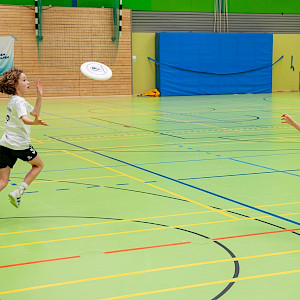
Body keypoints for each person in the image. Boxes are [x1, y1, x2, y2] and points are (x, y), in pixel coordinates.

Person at [0, 67, 48, 208]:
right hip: (19, 145)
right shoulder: (19, 102)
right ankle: (18, 191)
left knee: (3, 181)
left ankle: (17, 192)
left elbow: (34, 112)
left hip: (5, 144)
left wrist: (39, 95)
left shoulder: (16, 99)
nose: (28, 82)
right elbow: (26, 118)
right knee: (39, 165)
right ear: (16, 84)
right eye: (24, 80)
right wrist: (35, 123)